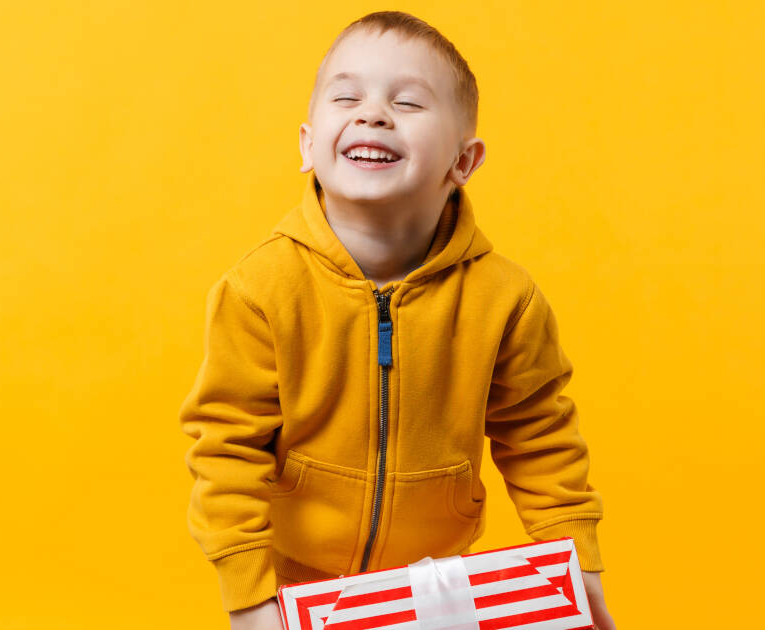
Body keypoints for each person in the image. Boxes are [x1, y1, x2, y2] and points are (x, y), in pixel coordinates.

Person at [179, 10, 618, 630]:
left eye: (408, 102)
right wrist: (250, 601)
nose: (373, 113)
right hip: (293, 586)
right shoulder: (257, 290)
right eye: (348, 96)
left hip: (438, 584)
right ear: (308, 144)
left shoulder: (506, 298)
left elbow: (541, 437)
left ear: (463, 162)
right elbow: (226, 451)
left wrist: (580, 563)